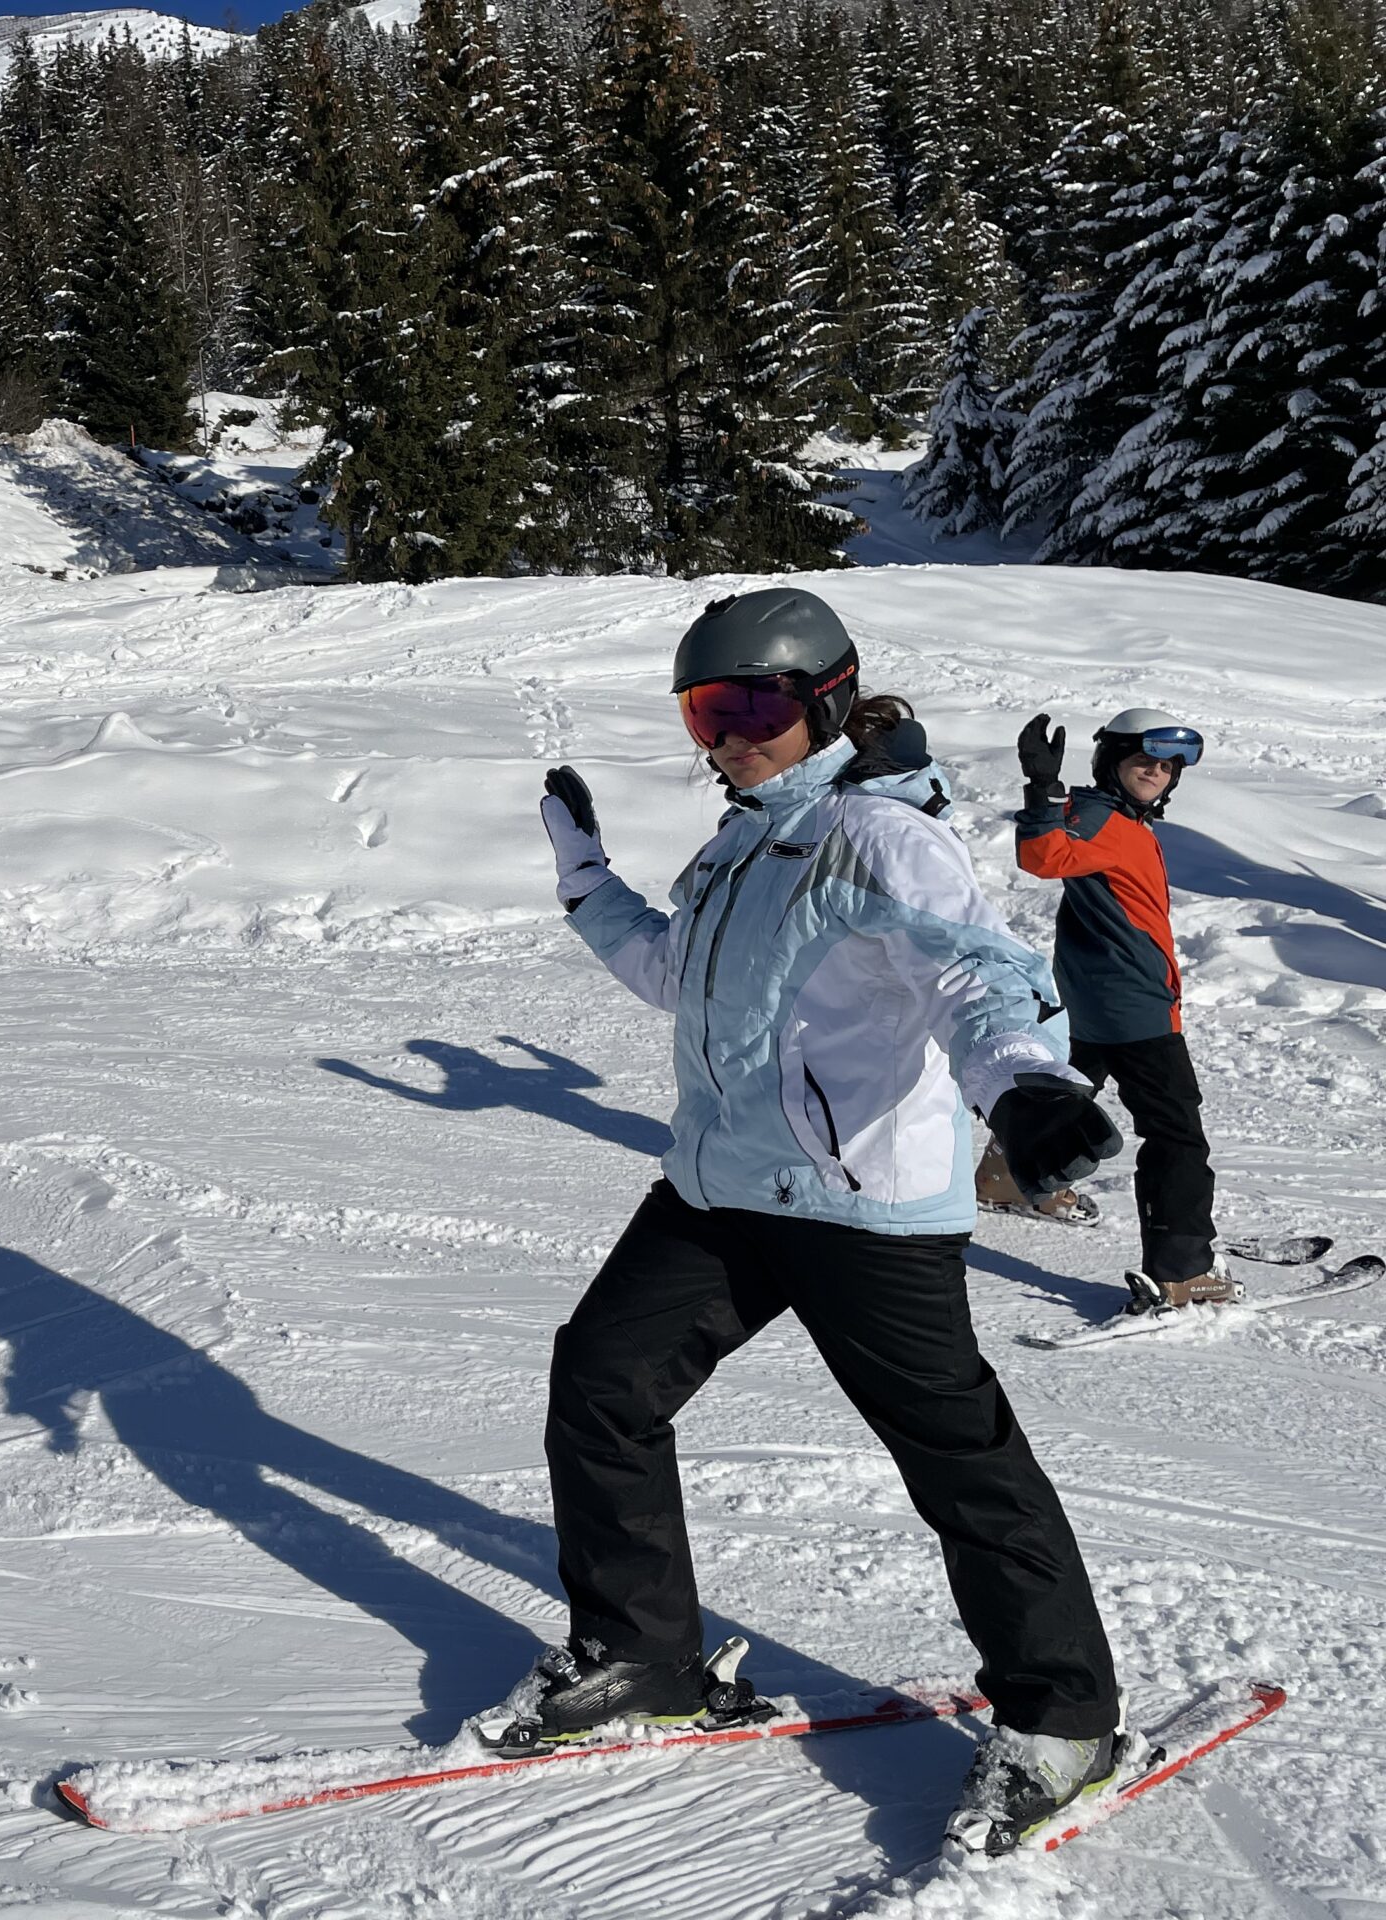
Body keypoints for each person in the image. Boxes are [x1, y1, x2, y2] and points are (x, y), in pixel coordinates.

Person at [488, 587, 1128, 1855]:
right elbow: (677, 973)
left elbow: (978, 978)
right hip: (721, 1188)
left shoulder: (882, 837)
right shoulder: (736, 847)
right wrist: (583, 880)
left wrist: (1027, 1086)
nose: (724, 737)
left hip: (859, 1210)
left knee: (957, 1460)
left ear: (825, 697)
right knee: (603, 1382)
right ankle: (640, 1654)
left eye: (749, 707)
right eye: (702, 712)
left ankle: (1064, 1720)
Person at [1007, 708, 1225, 1309]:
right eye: (1143, 761)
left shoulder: (1114, 817)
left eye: (1167, 765)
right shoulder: (1106, 819)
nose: (1156, 771)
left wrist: (1053, 798)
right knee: (1175, 1133)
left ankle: (1005, 1177)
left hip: (1093, 999)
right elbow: (1044, 856)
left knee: (1063, 1093)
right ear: (1113, 762)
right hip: (1134, 1009)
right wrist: (1042, 792)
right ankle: (1182, 1270)